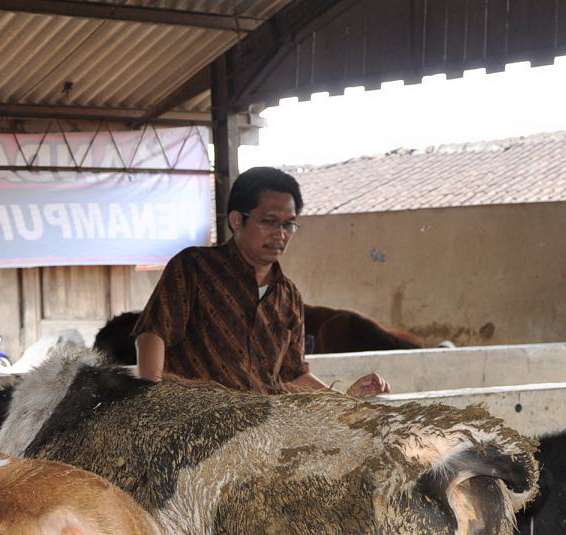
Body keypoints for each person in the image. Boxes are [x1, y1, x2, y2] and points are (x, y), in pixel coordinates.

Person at [134, 166, 389, 397]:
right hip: (199, 430)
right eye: (269, 222)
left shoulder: (288, 296)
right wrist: (153, 402)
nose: (280, 235)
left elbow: (293, 374)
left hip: (263, 434)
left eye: (289, 225)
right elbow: (152, 335)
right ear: (237, 221)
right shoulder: (194, 268)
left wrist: (344, 400)